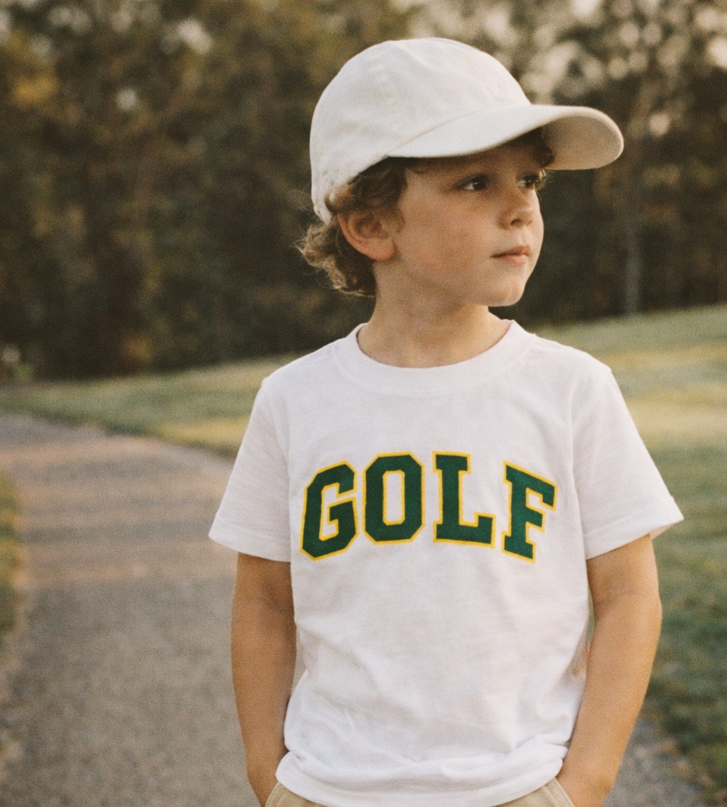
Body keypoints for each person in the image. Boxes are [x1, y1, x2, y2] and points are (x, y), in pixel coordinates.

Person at [210, 37, 683, 807]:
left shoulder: (572, 391)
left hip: (514, 786)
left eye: (529, 177)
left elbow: (629, 597)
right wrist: (269, 778)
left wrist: (582, 783)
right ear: (370, 226)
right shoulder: (294, 401)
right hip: (330, 788)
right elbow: (263, 599)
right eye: (474, 180)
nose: (520, 204)